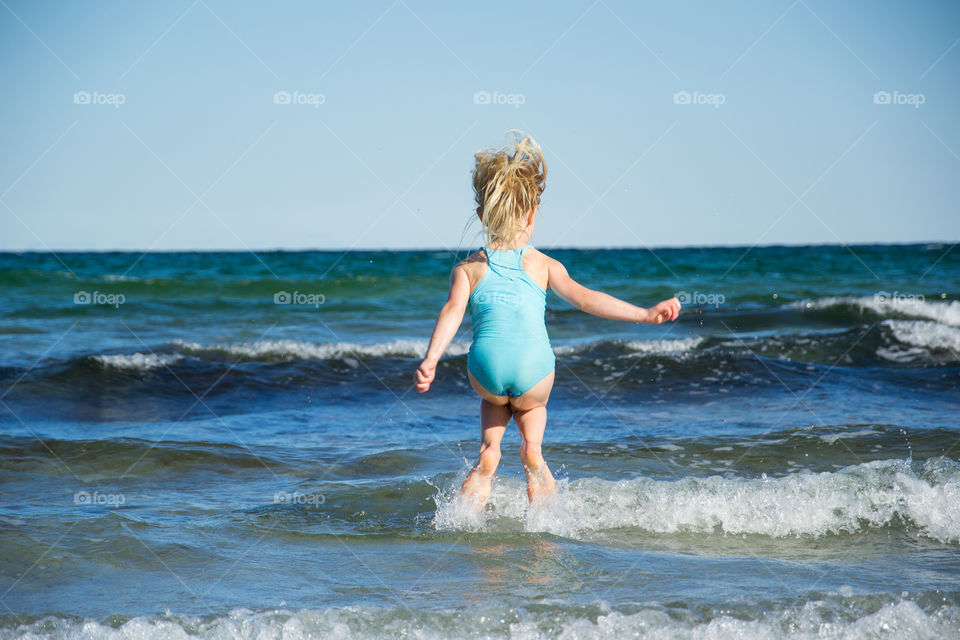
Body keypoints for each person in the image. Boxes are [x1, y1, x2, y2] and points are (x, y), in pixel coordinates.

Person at [415, 132, 681, 509]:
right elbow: (588, 300)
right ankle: (532, 451)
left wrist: (431, 360)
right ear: (532, 213)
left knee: (494, 408)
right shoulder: (543, 265)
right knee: (531, 409)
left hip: (487, 370)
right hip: (534, 371)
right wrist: (645, 313)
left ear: (480, 216)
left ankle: (489, 454)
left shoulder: (468, 269)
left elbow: (452, 312)